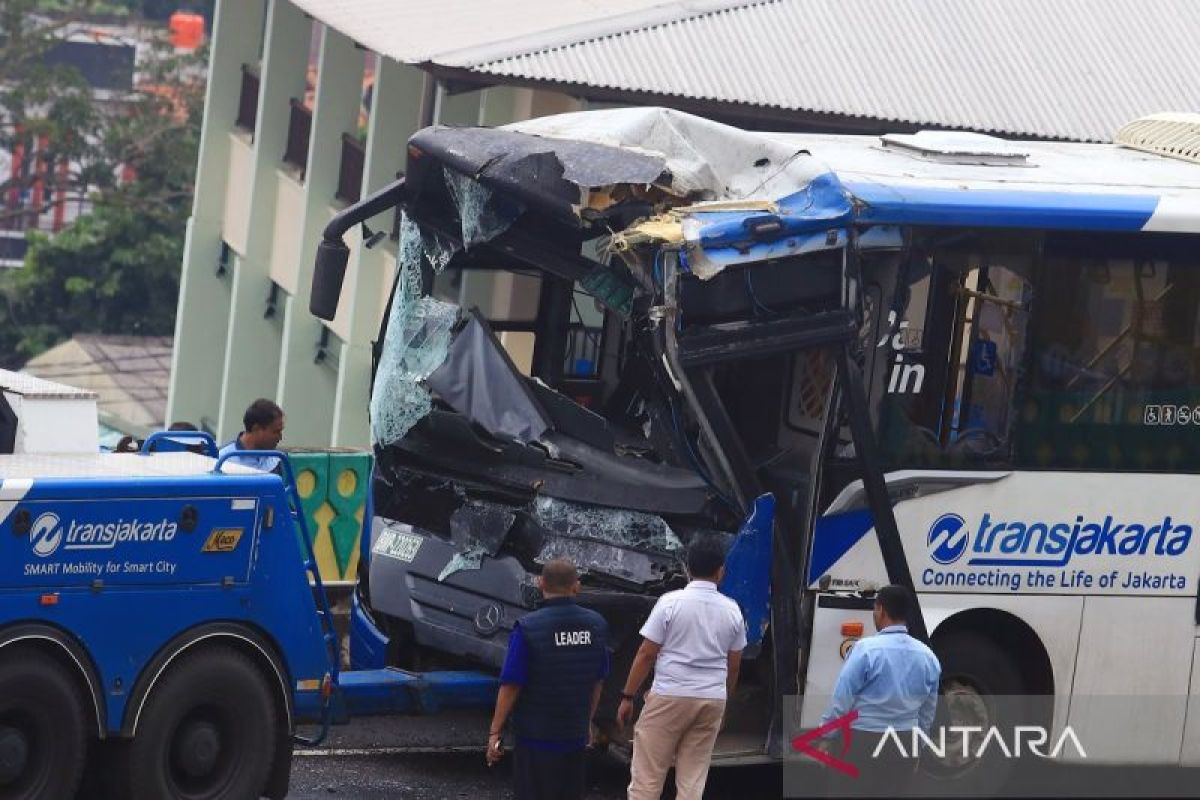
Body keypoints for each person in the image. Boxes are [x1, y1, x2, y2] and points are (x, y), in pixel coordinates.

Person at [619, 535, 747, 800]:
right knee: (692, 782)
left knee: (647, 779)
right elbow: (733, 666)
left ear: (687, 568)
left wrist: (628, 696)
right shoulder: (733, 610)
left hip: (669, 695)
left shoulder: (670, 603)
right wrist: (724, 700)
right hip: (711, 699)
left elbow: (646, 654)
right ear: (721, 570)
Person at [486, 558, 609, 800]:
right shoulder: (597, 626)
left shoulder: (528, 628)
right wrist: (586, 721)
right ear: (577, 586)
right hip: (573, 737)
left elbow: (511, 684)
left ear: (540, 583)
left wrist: (494, 732)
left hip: (535, 739)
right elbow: (598, 680)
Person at [817, 585, 941, 798]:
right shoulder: (928, 656)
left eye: (874, 609)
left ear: (881, 610)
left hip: (861, 741)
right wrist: (918, 748)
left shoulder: (866, 650)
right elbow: (927, 712)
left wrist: (827, 736)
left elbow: (843, 697)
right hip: (904, 742)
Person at [218, 399, 284, 472]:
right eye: (276, 432)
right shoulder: (222, 460)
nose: (280, 437)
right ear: (256, 428)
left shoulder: (278, 460)